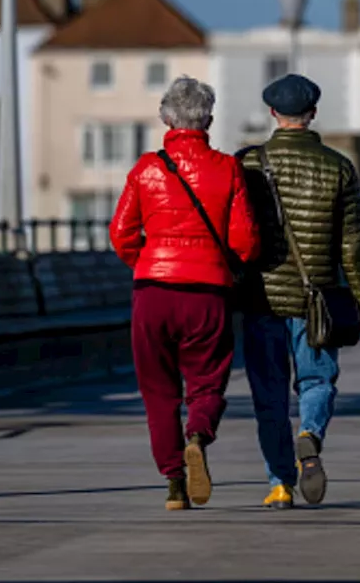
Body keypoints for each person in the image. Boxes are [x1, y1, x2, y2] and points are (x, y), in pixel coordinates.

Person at [108, 76, 260, 511]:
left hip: (153, 291)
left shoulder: (146, 169)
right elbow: (245, 240)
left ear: (164, 118)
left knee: (158, 392)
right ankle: (198, 434)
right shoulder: (228, 168)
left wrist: (146, 263)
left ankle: (174, 484)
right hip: (208, 292)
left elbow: (121, 233)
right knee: (208, 382)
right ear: (208, 119)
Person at [236, 73, 360, 509]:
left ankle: (279, 483)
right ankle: (309, 435)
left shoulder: (248, 164)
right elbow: (352, 245)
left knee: (269, 393)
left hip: (261, 298)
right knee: (317, 380)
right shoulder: (338, 167)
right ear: (312, 113)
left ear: (273, 114)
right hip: (319, 299)